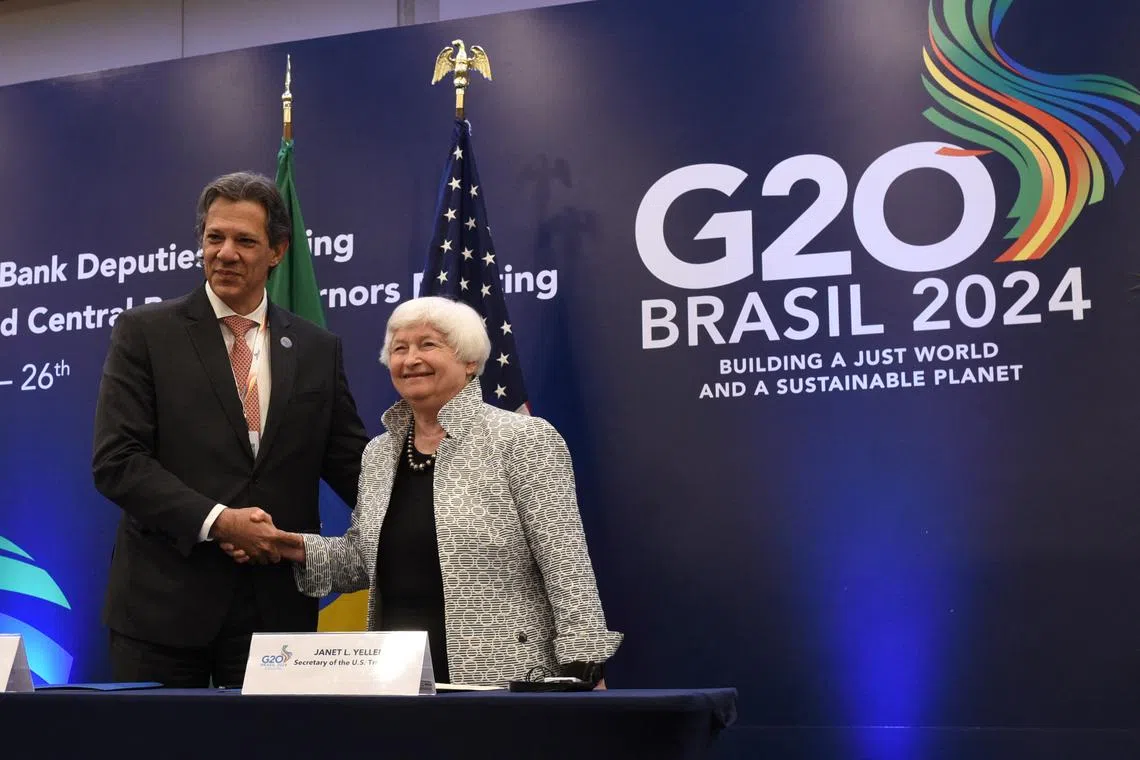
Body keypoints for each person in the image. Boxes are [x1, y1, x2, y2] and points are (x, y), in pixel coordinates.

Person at [224, 296, 622, 686]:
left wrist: (583, 660)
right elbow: (363, 560)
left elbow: (565, 560)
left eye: (428, 345)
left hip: (504, 678)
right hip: (398, 679)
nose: (410, 359)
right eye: (399, 348)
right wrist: (285, 545)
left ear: (469, 362)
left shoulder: (522, 438)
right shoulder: (379, 452)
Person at [91, 170, 369, 688]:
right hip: (164, 609)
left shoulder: (316, 349)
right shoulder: (145, 333)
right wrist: (220, 521)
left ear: (278, 251)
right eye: (214, 237)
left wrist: (435, 508)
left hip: (276, 610)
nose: (225, 253)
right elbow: (118, 462)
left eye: (245, 240)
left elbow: (355, 466)